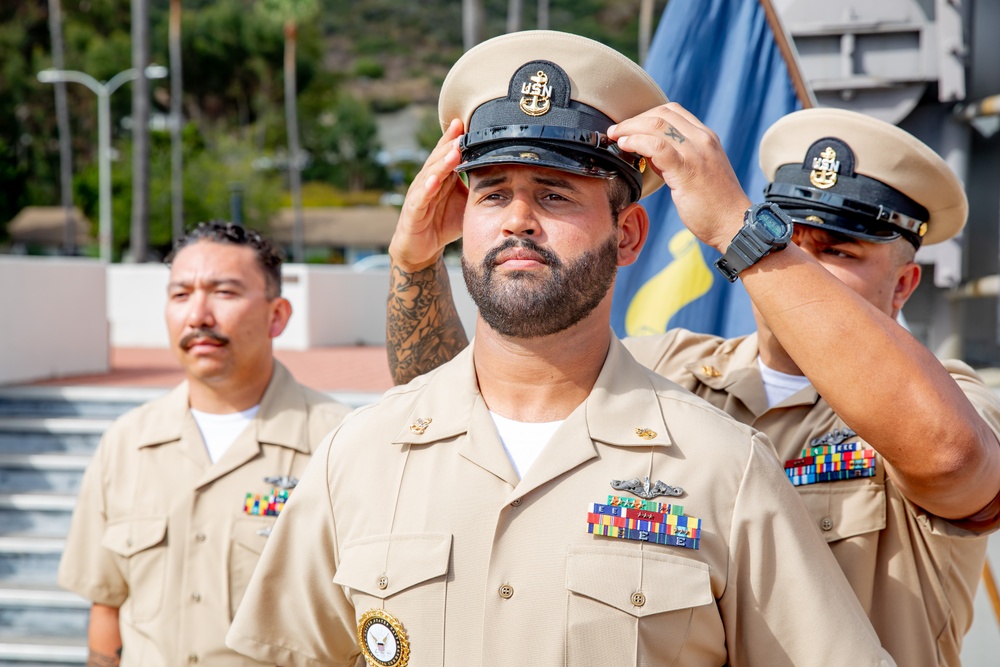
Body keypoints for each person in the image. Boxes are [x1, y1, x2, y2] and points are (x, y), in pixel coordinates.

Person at [227, 30, 893, 666]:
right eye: (492, 193)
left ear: (629, 235)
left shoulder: (724, 469)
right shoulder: (360, 454)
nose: (518, 218)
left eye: (553, 193)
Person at [382, 55, 1000, 667]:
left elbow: (951, 459)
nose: (805, 265)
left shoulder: (948, 400)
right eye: (789, 237)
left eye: (838, 251)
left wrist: (740, 228)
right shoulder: (666, 370)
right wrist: (414, 265)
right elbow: (454, 423)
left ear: (905, 285)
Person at [57, 221, 352, 666]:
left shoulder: (340, 443)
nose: (197, 316)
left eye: (224, 292)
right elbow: (107, 604)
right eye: (180, 295)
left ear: (277, 316)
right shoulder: (128, 443)